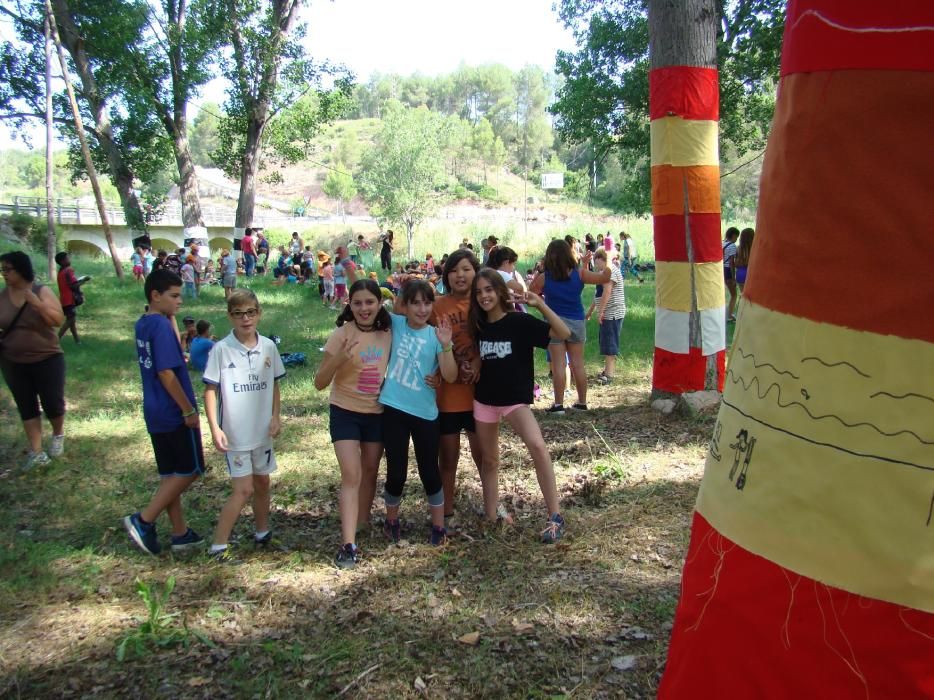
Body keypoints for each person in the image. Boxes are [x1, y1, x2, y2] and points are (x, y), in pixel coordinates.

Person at [469, 269, 570, 541]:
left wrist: (540, 304)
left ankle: (555, 516)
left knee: (537, 447)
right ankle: (493, 516)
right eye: (478, 292)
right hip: (485, 401)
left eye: (489, 289)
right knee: (489, 460)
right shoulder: (478, 325)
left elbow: (563, 332)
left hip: (515, 402)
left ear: (500, 292)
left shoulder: (519, 322)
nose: (484, 296)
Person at [124, 269, 205, 556]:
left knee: (170, 474)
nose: (179, 301)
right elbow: (167, 372)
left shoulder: (144, 323)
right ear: (155, 296)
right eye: (173, 296)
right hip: (172, 411)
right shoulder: (159, 327)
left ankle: (180, 532)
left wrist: (170, 316)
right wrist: (187, 409)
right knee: (190, 470)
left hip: (154, 410)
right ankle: (144, 519)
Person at [314, 279, 393, 568]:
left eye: (369, 302)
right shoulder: (341, 335)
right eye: (357, 302)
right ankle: (348, 544)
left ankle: (362, 520)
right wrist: (338, 360)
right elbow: (319, 383)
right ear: (349, 304)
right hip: (344, 410)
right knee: (352, 473)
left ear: (379, 303)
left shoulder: (388, 331)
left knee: (370, 469)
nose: (364, 308)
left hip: (377, 411)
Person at [203, 289, 285, 560]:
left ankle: (262, 532)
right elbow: (210, 391)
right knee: (244, 489)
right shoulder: (221, 350)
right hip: (236, 434)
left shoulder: (269, 348)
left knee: (262, 482)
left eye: (250, 312)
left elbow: (274, 384)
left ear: (259, 313)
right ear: (230, 317)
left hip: (262, 432)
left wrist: (276, 416)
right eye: (239, 314)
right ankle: (218, 546)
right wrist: (215, 428)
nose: (245, 319)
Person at [380, 279, 457, 546]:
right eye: (416, 303)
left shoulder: (436, 335)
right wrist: (350, 267)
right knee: (396, 471)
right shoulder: (395, 324)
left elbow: (450, 374)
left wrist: (446, 346)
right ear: (406, 305)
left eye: (427, 302)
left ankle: (438, 526)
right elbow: (370, 300)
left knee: (429, 471)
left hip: (425, 413)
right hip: (394, 408)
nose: (422, 309)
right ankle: (391, 520)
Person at [429, 250, 483, 524]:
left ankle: (492, 506)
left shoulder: (485, 302)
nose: (460, 275)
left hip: (481, 396)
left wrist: (478, 360)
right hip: (447, 395)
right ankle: (446, 511)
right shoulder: (437, 306)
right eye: (453, 270)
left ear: (476, 271)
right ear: (446, 275)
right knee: (447, 459)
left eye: (466, 269)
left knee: (483, 457)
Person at [0, 251, 66, 469]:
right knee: (26, 405)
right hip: (13, 360)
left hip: (47, 358)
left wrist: (37, 304)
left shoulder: (41, 291)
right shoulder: (2, 297)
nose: (4, 274)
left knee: (52, 403)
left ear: (21, 269)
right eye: (3, 270)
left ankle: (57, 435)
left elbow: (57, 320)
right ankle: (36, 451)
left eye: (8, 269)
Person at [530, 239, 609, 414]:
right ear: (569, 254)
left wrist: (544, 305)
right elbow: (604, 277)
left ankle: (558, 405)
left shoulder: (545, 277)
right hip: (577, 322)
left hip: (554, 323)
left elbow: (531, 292)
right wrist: (608, 261)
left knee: (558, 364)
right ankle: (582, 402)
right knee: (578, 363)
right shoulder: (579, 274)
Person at [587, 249, 626, 384]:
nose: (596, 267)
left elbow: (607, 292)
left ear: (602, 259)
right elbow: (597, 294)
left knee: (610, 343)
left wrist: (601, 311)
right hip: (607, 313)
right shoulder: (602, 273)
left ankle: (609, 375)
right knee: (606, 342)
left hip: (612, 313)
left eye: (597, 264)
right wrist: (591, 311)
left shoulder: (610, 271)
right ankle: (607, 370)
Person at [55, 251, 87, 345]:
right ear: (62, 261)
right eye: (67, 258)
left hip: (64, 299)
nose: (69, 260)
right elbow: (73, 286)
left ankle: (77, 341)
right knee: (70, 320)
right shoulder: (68, 270)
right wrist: (84, 280)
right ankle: (56, 340)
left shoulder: (60, 272)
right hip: (69, 299)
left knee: (71, 320)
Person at [722, 226, 740, 322]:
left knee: (729, 293)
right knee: (734, 295)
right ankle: (729, 315)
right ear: (733, 235)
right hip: (728, 270)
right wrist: (734, 278)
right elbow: (732, 263)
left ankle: (729, 314)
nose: (736, 239)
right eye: (736, 236)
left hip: (722, 270)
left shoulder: (722, 243)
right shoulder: (732, 246)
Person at [734, 227, 755, 296]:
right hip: (752, 274)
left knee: (744, 297)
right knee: (753, 297)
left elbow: (736, 263)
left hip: (740, 273)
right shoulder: (755, 249)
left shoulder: (738, 248)